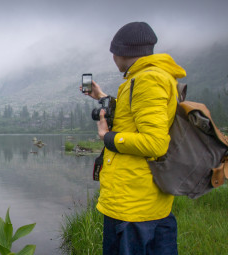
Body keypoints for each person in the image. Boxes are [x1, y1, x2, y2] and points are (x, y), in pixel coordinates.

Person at [82, 22, 186, 254]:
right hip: (141, 200)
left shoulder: (147, 80)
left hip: (133, 205)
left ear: (120, 52)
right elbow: (137, 115)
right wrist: (103, 97)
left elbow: (155, 143)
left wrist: (108, 137)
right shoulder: (147, 77)